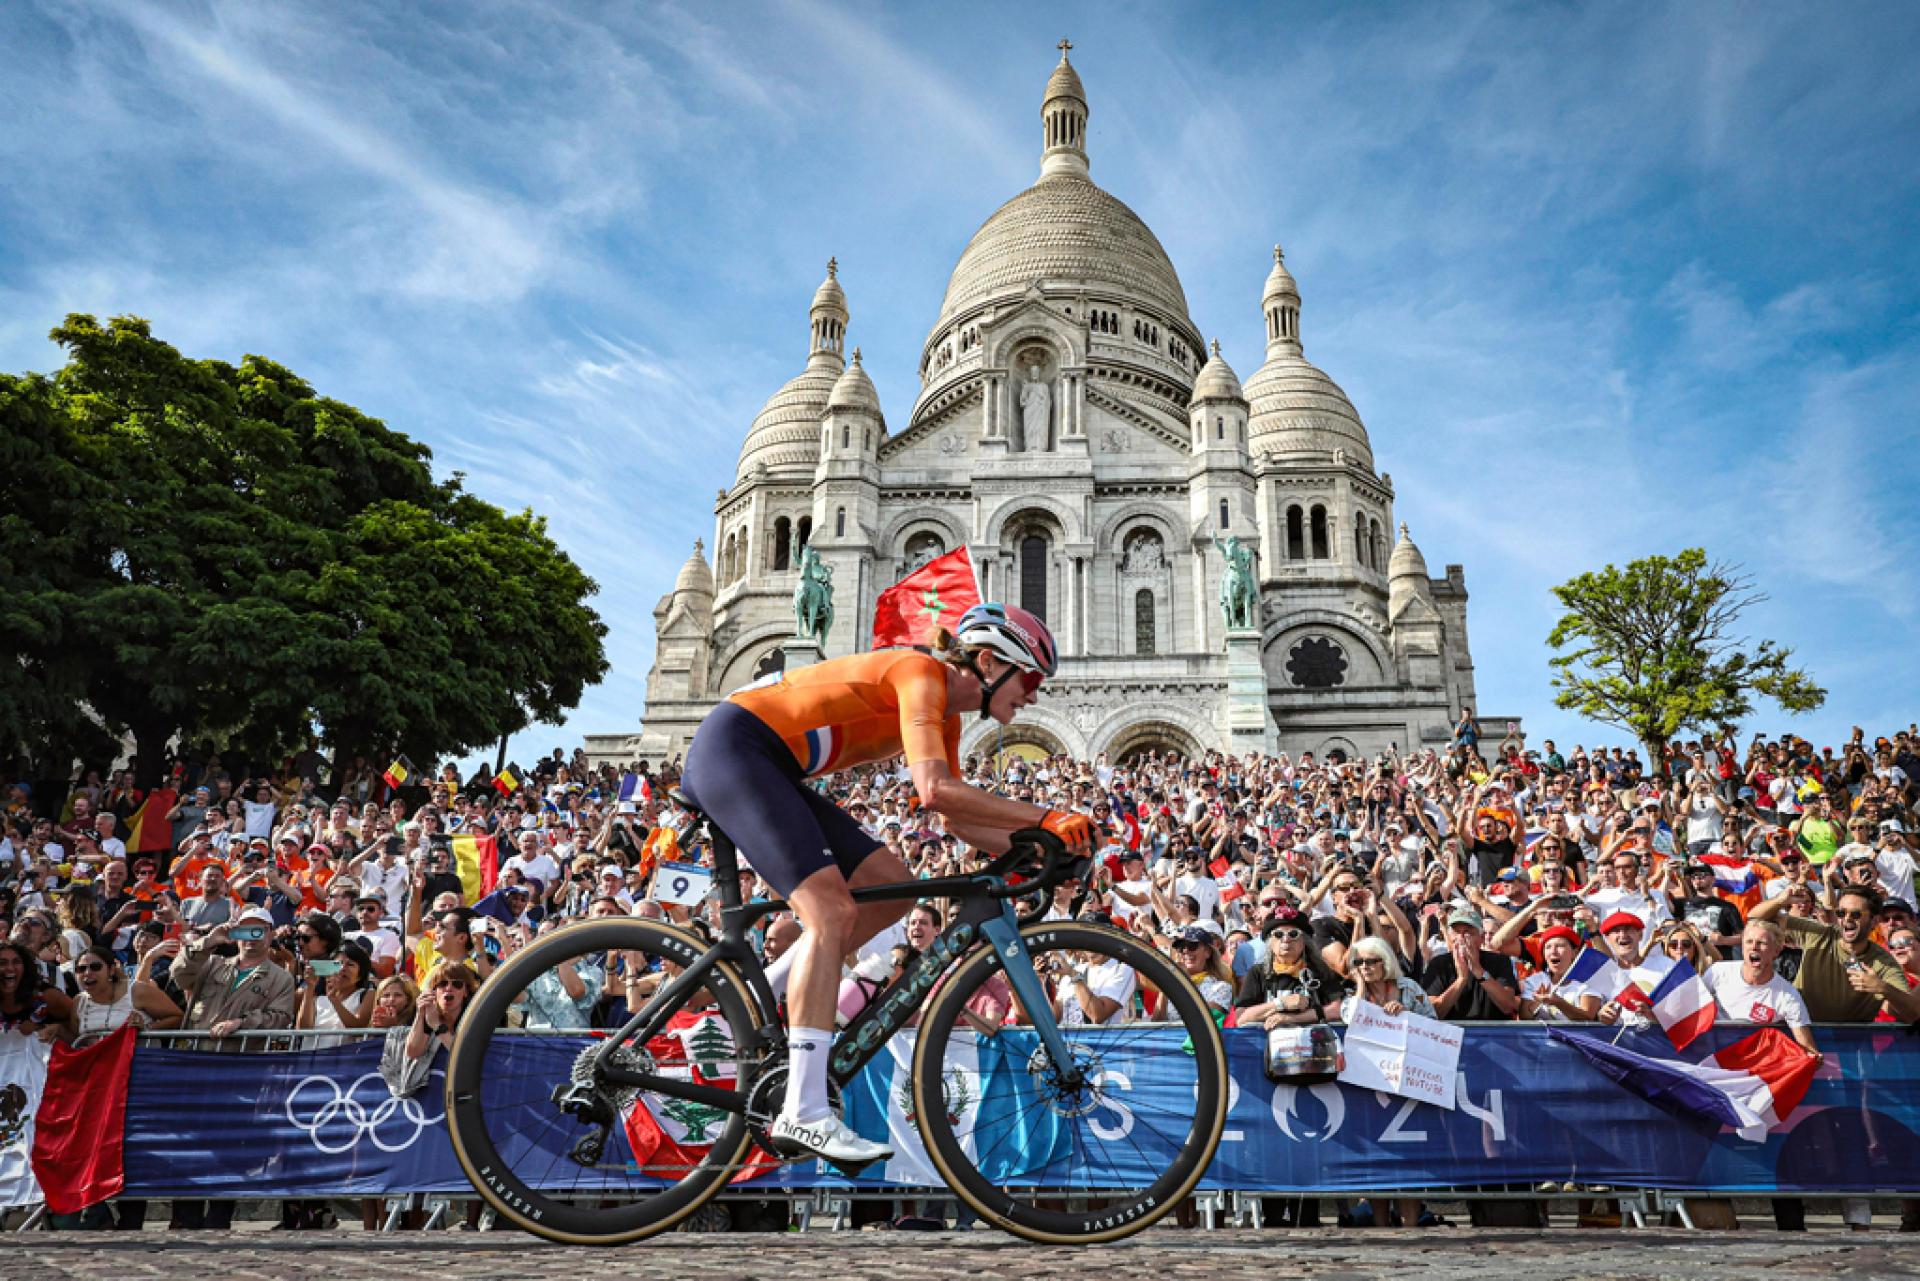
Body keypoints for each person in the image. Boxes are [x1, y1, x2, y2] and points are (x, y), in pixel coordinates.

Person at [677, 602, 1084, 1166]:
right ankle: (804, 1110)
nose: (1034, 695)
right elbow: (937, 790)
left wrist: (1044, 853)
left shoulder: (947, 717)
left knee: (893, 885)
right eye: (1031, 678)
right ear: (989, 663)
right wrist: (1044, 819)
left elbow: (953, 822)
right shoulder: (921, 674)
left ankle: (760, 1001)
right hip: (739, 748)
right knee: (831, 915)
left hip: (768, 762)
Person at [1420, 908, 1520, 1021]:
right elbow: (1432, 1013)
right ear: (1449, 936)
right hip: (1452, 1035)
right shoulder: (1439, 964)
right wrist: (1461, 980)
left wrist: (1479, 971)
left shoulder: (1499, 961)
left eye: (1468, 933)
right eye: (1456, 932)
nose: (1461, 938)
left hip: (1492, 1034)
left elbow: (1508, 1006)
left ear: (1481, 938)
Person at [1516, 926, 1603, 1022]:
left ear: (1575, 952)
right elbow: (1524, 1018)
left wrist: (1558, 1002)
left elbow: (1587, 1018)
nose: (1553, 951)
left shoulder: (1589, 981)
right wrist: (1537, 1002)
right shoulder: (1535, 980)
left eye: (1560, 946)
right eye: (1548, 947)